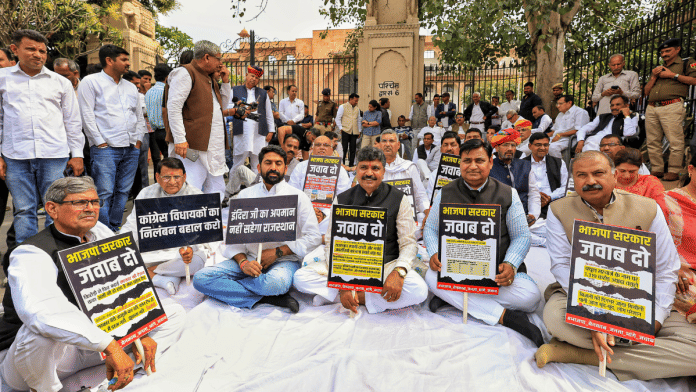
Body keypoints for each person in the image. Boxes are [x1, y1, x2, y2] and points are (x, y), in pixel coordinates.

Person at [0, 177, 185, 392]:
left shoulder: (100, 233)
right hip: (37, 362)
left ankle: (107, 380)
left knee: (173, 314)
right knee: (40, 335)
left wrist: (141, 332)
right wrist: (110, 346)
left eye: (95, 202)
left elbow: (127, 287)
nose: (91, 208)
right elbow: (42, 314)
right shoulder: (31, 252)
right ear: (52, 209)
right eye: (80, 203)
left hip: (90, 345)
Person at [535, 150, 694, 381]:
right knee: (556, 320)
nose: (590, 181)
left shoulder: (648, 208)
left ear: (614, 176)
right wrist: (595, 317)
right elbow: (561, 265)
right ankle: (638, 350)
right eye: (581, 175)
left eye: (598, 173)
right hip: (583, 295)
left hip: (640, 297)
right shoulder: (558, 210)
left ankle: (582, 354)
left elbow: (666, 269)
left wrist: (656, 319)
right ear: (573, 179)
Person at [424, 139, 543, 347]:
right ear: (459, 163)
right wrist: (434, 252)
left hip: (495, 273)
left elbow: (522, 236)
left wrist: (511, 264)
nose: (472, 166)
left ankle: (455, 298)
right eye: (466, 160)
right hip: (458, 267)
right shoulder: (446, 192)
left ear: (490, 162)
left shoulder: (508, 194)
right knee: (430, 277)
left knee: (531, 298)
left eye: (479, 160)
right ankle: (505, 317)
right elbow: (431, 229)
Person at [293, 147, 428, 313]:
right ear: (356, 170)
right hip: (348, 266)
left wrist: (399, 272)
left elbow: (408, 243)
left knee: (419, 290)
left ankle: (354, 297)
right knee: (301, 278)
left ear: (384, 172)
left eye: (375, 168)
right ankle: (357, 296)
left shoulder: (399, 199)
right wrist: (342, 283)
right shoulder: (342, 199)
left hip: (387, 265)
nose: (369, 173)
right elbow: (331, 243)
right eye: (364, 167)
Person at [193, 145, 322, 313]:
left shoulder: (298, 197)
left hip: (284, 261)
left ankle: (244, 290)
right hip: (249, 258)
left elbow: (313, 237)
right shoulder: (245, 196)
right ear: (259, 167)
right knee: (200, 279)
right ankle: (267, 297)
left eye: (278, 163)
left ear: (285, 167)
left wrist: (278, 252)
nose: (273, 167)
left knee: (276, 283)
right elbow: (234, 240)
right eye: (268, 163)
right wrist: (243, 262)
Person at [0, 30, 84, 244]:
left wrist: (77, 155)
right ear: (14, 49)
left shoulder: (60, 83)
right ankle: (26, 259)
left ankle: (54, 256)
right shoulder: (3, 80)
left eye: (42, 51)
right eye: (31, 49)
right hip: (15, 156)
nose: (37, 54)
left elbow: (72, 121)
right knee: (24, 209)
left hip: (54, 155)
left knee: (55, 209)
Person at [78, 44, 146, 231]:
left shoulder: (130, 87)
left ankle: (114, 229)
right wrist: (99, 142)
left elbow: (138, 116)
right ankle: (103, 233)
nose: (128, 63)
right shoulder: (91, 82)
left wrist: (138, 141)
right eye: (124, 59)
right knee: (104, 193)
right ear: (109, 60)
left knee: (124, 192)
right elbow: (86, 115)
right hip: (105, 149)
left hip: (131, 147)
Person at [120, 158, 207, 295]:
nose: (172, 182)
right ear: (157, 177)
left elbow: (202, 233)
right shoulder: (146, 193)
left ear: (184, 177)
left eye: (177, 177)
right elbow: (132, 224)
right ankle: (166, 278)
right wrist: (118, 246)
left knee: (198, 261)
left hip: (180, 253)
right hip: (152, 250)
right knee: (122, 260)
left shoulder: (196, 196)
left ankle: (149, 273)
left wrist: (191, 248)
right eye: (166, 177)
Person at [166, 41, 232, 199]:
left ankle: (210, 222)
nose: (220, 64)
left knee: (216, 188)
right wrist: (180, 140)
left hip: (212, 147)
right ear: (207, 57)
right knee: (191, 188)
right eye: (218, 59)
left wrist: (226, 81)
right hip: (191, 147)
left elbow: (222, 105)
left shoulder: (208, 79)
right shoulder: (185, 73)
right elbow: (173, 108)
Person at [644, 38, 696, 181]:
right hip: (652, 107)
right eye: (662, 52)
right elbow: (646, 92)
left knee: (675, 140)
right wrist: (654, 76)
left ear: (677, 49)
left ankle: (674, 170)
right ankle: (656, 170)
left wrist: (672, 75)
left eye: (668, 50)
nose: (664, 54)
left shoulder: (686, 62)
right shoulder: (658, 69)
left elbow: (694, 80)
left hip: (672, 105)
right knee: (652, 141)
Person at [288, 135, 352, 233]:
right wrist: (308, 211)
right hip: (302, 214)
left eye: (326, 145)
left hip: (329, 217)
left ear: (332, 150)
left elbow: (343, 199)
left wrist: (323, 214)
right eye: (318, 145)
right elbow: (292, 193)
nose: (322, 147)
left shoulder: (341, 171)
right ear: (312, 149)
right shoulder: (301, 167)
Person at [227, 64, 274, 178]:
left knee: (257, 163)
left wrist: (271, 131)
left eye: (257, 78)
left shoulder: (263, 93)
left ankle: (255, 190)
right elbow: (228, 108)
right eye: (252, 76)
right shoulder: (235, 90)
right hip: (242, 132)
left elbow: (268, 113)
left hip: (259, 134)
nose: (254, 79)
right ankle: (233, 190)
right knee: (238, 163)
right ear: (246, 75)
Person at [659, 154, 696, 287]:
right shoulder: (667, 201)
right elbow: (654, 240)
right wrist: (673, 267)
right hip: (680, 274)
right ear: (691, 169)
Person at [489, 129, 541, 224]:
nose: (510, 148)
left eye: (513, 145)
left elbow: (533, 193)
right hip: (498, 219)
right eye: (505, 145)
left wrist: (533, 215)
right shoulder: (489, 167)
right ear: (497, 148)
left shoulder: (525, 165)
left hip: (524, 217)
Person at [226, 133, 301, 199]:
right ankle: (227, 195)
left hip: (279, 196)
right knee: (241, 169)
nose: (292, 149)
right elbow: (258, 178)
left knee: (233, 201)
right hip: (260, 187)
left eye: (295, 147)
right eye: (289, 146)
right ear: (283, 145)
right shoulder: (272, 156)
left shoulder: (299, 167)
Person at [379, 130, 430, 224]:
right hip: (381, 217)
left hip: (405, 216)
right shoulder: (373, 168)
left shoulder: (409, 167)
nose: (387, 144)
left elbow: (420, 196)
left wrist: (427, 211)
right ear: (380, 145)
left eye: (391, 141)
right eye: (384, 141)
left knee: (423, 218)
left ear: (398, 145)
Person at [525, 132, 568, 218]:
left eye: (546, 145)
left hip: (553, 204)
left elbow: (565, 187)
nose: (542, 148)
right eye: (538, 145)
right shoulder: (521, 164)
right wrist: (535, 197)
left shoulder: (559, 163)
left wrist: (549, 197)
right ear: (530, 146)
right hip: (528, 206)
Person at [145, 63, 172, 181]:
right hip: (166, 130)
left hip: (155, 132)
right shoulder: (167, 90)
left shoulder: (149, 92)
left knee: (163, 159)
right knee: (170, 160)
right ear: (167, 77)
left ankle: (160, 182)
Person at [425, 132, 461, 201]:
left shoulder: (467, 171)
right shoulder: (434, 175)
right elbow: (431, 200)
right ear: (441, 149)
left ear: (459, 148)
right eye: (445, 145)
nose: (449, 148)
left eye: (453, 145)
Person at [336, 93, 361, 166]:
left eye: (357, 101)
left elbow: (359, 120)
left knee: (353, 149)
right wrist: (341, 128)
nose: (356, 102)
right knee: (344, 148)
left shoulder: (357, 109)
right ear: (350, 99)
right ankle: (342, 164)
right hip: (345, 130)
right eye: (355, 101)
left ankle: (351, 164)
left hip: (354, 131)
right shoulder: (342, 107)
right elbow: (338, 118)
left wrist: (359, 130)